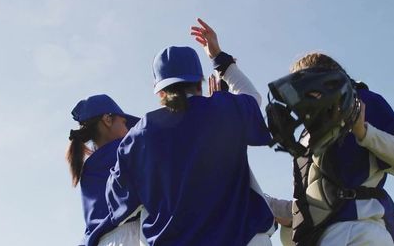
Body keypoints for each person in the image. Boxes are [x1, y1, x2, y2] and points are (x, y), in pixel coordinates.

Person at [86, 18, 276, 246]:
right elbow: (253, 98)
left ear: (160, 93)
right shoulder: (224, 107)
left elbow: (117, 203)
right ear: (200, 82)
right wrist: (220, 60)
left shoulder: (138, 136)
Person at [278, 53, 394, 246]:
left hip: (360, 231)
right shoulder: (305, 135)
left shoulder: (361, 101)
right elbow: (308, 206)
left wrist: (363, 132)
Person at [67, 94, 141, 246]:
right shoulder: (125, 149)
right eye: (124, 123)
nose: (128, 130)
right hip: (130, 236)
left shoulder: (87, 168)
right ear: (107, 120)